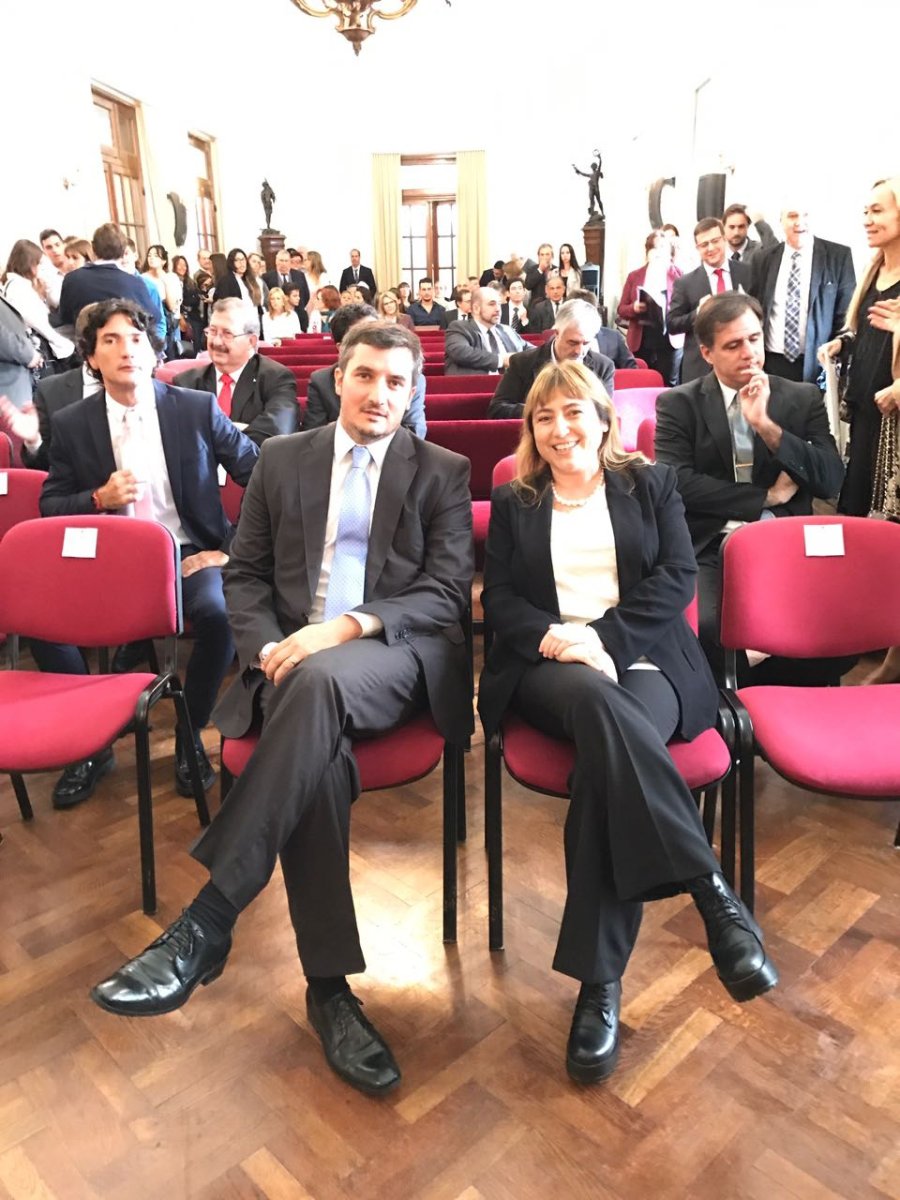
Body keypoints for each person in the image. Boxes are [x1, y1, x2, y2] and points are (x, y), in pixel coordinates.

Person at [88, 321, 474, 1099]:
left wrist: (339, 629)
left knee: (322, 682)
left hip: (392, 655)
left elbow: (440, 594)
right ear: (338, 376)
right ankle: (329, 992)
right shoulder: (283, 459)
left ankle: (210, 917)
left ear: (413, 391)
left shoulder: (442, 469)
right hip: (288, 665)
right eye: (367, 376)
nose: (380, 394)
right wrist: (269, 648)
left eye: (398, 383)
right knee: (317, 750)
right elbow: (246, 576)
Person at [479, 358, 777, 1084]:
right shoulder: (516, 502)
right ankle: (711, 892)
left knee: (603, 770)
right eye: (543, 417)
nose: (559, 429)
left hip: (646, 662)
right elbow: (505, 600)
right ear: (530, 430)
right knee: (595, 706)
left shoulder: (651, 484)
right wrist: (564, 641)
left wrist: (606, 641)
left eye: (573, 411)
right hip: (551, 670)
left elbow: (677, 575)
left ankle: (597, 985)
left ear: (604, 417)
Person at [38, 299, 259, 804]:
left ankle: (189, 733)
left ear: (152, 349)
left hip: (185, 550)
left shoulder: (194, 408)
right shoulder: (74, 423)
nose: (126, 350)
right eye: (110, 341)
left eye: (135, 339)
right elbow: (51, 503)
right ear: (91, 358)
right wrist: (98, 499)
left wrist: (230, 549)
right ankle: (92, 741)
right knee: (43, 624)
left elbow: (262, 476)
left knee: (220, 615)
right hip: (107, 557)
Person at [655, 293, 846, 684]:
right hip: (712, 542)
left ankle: (779, 697)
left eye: (754, 339)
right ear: (707, 353)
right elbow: (676, 482)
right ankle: (734, 710)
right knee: (708, 628)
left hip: (787, 542)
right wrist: (766, 497)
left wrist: (767, 429)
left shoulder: (800, 397)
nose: (750, 353)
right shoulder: (678, 404)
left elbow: (830, 479)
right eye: (733, 345)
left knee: (835, 627)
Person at [819, 177, 900, 684]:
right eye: (864, 211)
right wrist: (843, 343)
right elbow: (868, 329)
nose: (867, 220)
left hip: (897, 430)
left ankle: (887, 648)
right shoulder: (875, 269)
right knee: (861, 526)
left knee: (889, 533)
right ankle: (861, 633)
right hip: (869, 420)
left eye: (877, 211)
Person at [750, 205, 856, 384]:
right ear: (781, 221)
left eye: (805, 215)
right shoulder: (763, 259)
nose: (799, 222)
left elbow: (846, 315)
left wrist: (838, 352)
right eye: (792, 216)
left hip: (816, 364)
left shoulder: (838, 256)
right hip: (771, 362)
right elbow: (755, 308)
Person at [178, 298, 299, 446]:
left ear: (252, 341)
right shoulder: (186, 383)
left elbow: (277, 434)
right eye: (212, 331)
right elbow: (179, 437)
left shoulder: (276, 378)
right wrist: (242, 428)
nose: (216, 341)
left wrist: (211, 433)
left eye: (227, 334)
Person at [305, 304, 426, 437]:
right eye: (364, 337)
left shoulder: (410, 378)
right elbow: (314, 436)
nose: (378, 398)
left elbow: (414, 432)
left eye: (378, 331)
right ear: (341, 348)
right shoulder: (322, 380)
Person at [488, 299, 615, 418]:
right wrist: (544, 412)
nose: (579, 351)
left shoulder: (603, 367)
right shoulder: (522, 363)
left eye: (586, 343)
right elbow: (497, 409)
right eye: (572, 343)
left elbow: (605, 413)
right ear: (556, 333)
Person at [668, 219, 752, 383]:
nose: (711, 248)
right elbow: (672, 323)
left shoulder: (747, 273)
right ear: (697, 248)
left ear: (724, 239)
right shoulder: (685, 283)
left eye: (715, 241)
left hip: (741, 362)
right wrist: (698, 313)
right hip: (700, 369)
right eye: (704, 244)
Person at [57, 223, 160, 332]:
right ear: (123, 250)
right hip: (123, 343)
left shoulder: (72, 279)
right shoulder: (134, 283)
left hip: (86, 344)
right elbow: (154, 317)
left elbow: (65, 318)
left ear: (93, 248)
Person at [617, 230, 685, 386]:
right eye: (654, 248)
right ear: (647, 252)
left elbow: (686, 308)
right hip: (642, 338)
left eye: (662, 247)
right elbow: (621, 309)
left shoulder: (679, 275)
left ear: (669, 252)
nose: (658, 252)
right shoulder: (635, 276)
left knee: (669, 384)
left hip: (669, 338)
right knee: (641, 381)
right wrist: (633, 308)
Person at [1, 239, 75, 369]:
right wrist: (66, 345)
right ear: (29, 263)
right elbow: (41, 324)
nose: (41, 268)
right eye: (38, 263)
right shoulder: (18, 288)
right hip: (48, 351)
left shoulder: (21, 285)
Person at [444, 286, 528, 376]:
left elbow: (531, 350)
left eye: (499, 304)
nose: (498, 309)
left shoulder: (507, 330)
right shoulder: (459, 327)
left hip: (512, 386)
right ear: (476, 308)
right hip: (475, 386)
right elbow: (461, 352)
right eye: (492, 304)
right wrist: (501, 360)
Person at [142, 244, 183, 359]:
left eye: (156, 256)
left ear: (163, 261)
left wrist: (165, 282)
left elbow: (172, 306)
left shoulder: (171, 278)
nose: (151, 258)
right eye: (149, 255)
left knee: (173, 356)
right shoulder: (142, 278)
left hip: (170, 324)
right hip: (151, 323)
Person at [173, 254, 204, 352]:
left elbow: (197, 298)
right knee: (184, 347)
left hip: (195, 316)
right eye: (179, 265)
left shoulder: (190, 282)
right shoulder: (172, 281)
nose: (182, 267)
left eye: (184, 265)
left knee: (197, 344)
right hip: (182, 317)